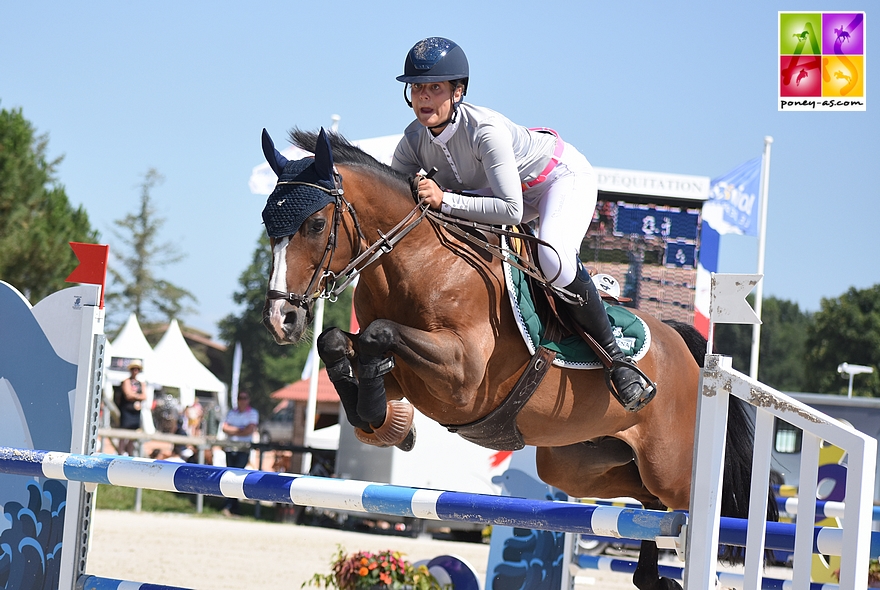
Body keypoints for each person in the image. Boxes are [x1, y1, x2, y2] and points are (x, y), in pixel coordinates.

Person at [391, 37, 656, 412]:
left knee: (554, 259)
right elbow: (394, 202)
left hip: (556, 179)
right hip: (499, 193)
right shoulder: (412, 139)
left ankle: (618, 361)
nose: (424, 97)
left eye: (435, 88)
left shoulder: (485, 130)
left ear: (458, 91)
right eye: (417, 88)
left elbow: (512, 211)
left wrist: (445, 199)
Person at [220, 392, 259, 516]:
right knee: (230, 477)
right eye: (240, 398)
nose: (242, 400)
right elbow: (224, 428)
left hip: (243, 449)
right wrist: (241, 429)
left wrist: (233, 430)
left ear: (248, 399)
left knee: (237, 477)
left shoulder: (253, 413)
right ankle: (232, 506)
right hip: (230, 448)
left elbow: (249, 430)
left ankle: (230, 505)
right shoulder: (232, 412)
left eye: (244, 398)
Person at [118, 360, 147, 455]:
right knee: (123, 434)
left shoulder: (141, 383)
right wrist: (138, 396)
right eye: (134, 369)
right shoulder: (126, 381)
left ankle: (130, 454)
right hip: (126, 411)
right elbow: (128, 395)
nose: (135, 371)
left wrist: (134, 396)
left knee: (132, 436)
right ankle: (120, 454)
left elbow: (144, 396)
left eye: (137, 369)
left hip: (135, 412)